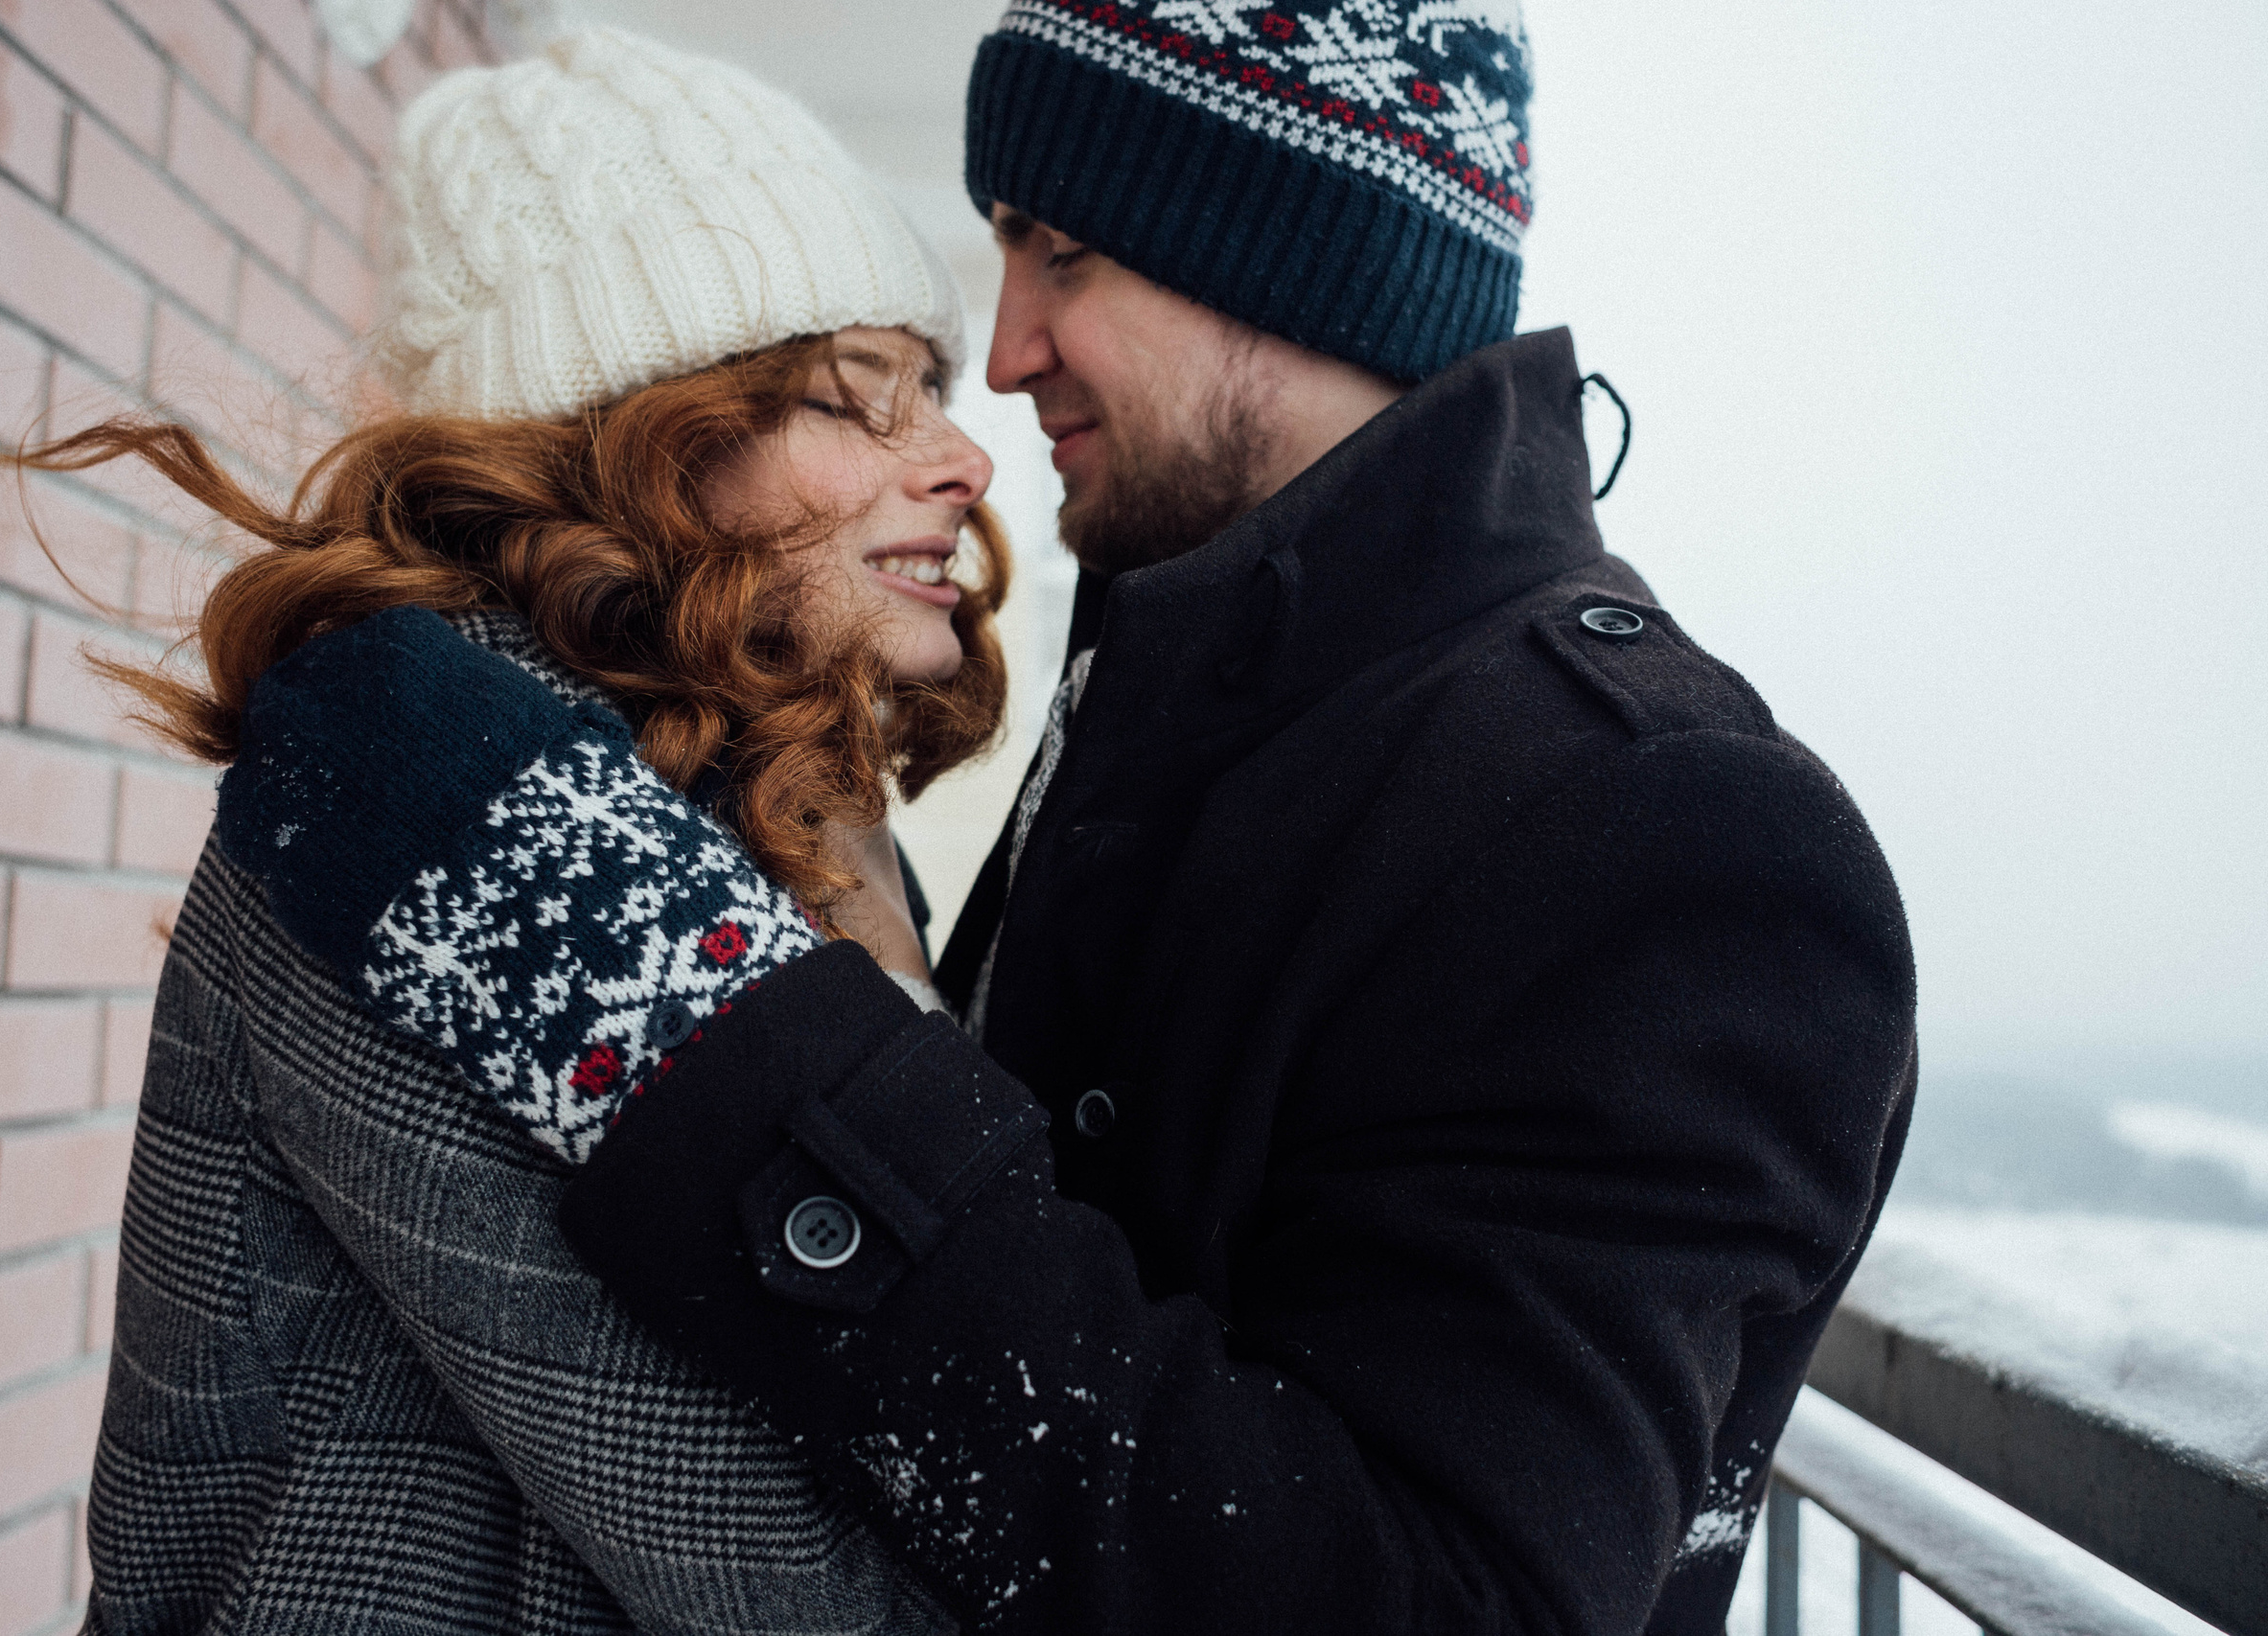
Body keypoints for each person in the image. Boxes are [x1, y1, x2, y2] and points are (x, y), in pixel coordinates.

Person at [221, 4, 1919, 1633]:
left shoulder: (1658, 819)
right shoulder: (1182, 673)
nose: (1009, 357)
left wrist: (724, 1046)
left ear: (1265, 234)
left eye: (1062, 249)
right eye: (856, 386)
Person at [46, 32, 1007, 1634]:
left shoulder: (783, 802)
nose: (964, 461)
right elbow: (762, 1558)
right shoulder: (427, 801)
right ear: (639, 435)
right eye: (860, 396)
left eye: (937, 390)